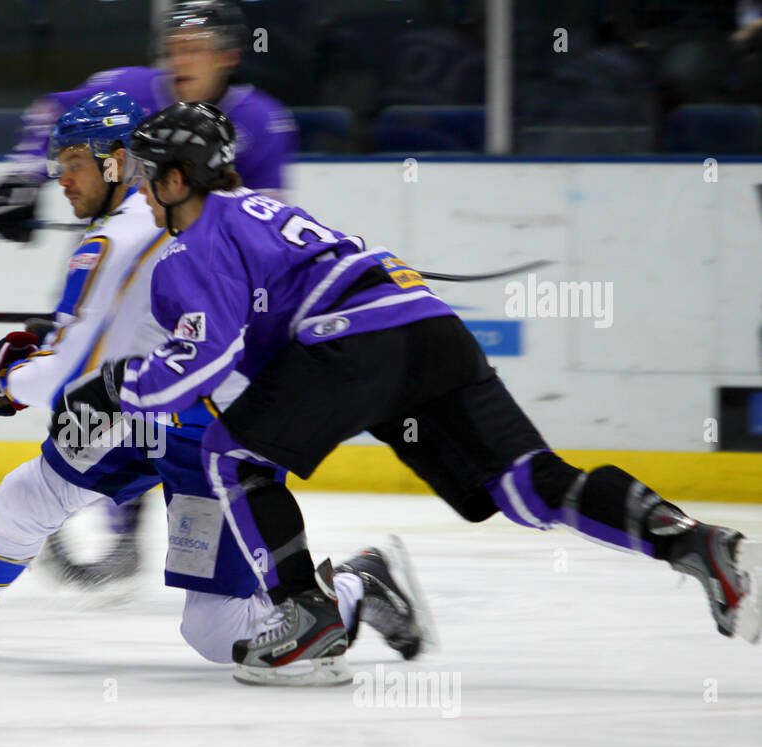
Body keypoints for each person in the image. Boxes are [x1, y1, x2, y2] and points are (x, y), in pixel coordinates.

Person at [52, 101, 761, 684]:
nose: (141, 189)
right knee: (525, 483)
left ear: (179, 180)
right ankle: (692, 543)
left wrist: (113, 390)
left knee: (230, 456)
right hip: (427, 328)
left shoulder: (195, 243)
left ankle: (309, 616)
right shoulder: (257, 212)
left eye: (149, 175)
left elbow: (202, 365)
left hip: (352, 341)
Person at [0, 93, 431, 678]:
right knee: (32, 492)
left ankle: (357, 587)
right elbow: (128, 328)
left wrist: (5, 381)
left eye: (75, 162)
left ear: (119, 162)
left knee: (217, 630)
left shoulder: (117, 239)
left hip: (209, 433)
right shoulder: (172, 212)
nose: (62, 178)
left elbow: (65, 373)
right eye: (58, 164)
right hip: (144, 405)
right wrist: (67, 337)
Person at [0, 0, 299, 586]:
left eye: (198, 45)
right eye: (175, 43)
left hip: (199, 289)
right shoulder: (129, 89)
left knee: (157, 400)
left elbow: (264, 223)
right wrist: (21, 178)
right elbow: (50, 113)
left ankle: (161, 531)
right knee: (93, 377)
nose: (183, 56)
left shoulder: (263, 120)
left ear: (229, 55)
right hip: (120, 265)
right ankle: (114, 517)